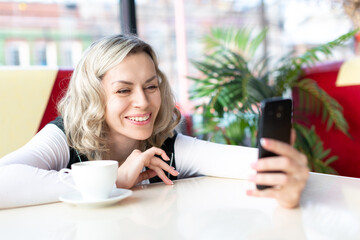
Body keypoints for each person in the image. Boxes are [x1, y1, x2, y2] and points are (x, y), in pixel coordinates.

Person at [0, 34, 309, 209]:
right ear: (94, 95)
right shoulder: (64, 136)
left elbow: (254, 166)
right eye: (123, 90)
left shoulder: (166, 144)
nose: (144, 102)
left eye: (151, 86)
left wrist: (288, 174)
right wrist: (114, 181)